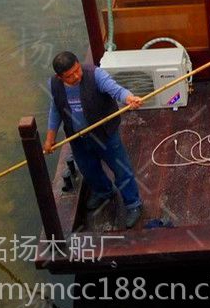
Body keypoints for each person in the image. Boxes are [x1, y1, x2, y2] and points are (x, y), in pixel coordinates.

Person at [44, 51, 144, 229]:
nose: (76, 76)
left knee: (122, 170)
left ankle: (133, 204)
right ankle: (104, 191)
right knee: (88, 169)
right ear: (60, 77)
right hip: (78, 138)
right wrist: (50, 138)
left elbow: (116, 90)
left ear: (78, 64)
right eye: (69, 76)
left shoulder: (95, 75)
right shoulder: (55, 85)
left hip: (105, 135)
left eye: (77, 70)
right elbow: (55, 111)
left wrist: (129, 98)